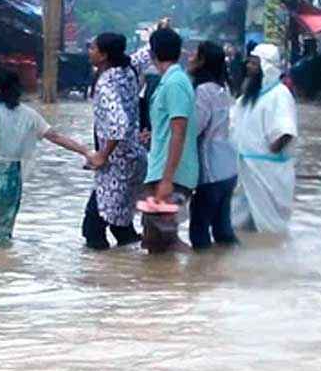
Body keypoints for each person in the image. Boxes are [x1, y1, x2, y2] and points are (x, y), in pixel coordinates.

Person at [0, 68, 93, 246]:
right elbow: (55, 137)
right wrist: (86, 152)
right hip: (12, 181)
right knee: (0, 235)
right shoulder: (28, 114)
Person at [82, 33, 146, 250]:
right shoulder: (128, 70)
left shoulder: (106, 85)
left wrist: (102, 155)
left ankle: (98, 277)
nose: (89, 51)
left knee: (93, 226)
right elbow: (143, 55)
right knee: (122, 223)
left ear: (104, 55)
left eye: (93, 48)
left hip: (116, 164)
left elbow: (118, 125)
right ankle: (130, 271)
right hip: (134, 157)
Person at [140, 27, 200, 254]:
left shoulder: (175, 83)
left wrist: (167, 180)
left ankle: (197, 276)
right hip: (162, 170)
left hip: (170, 175)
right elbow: (169, 128)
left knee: (164, 239)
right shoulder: (171, 81)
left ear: (152, 53)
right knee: (154, 240)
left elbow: (179, 130)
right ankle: (167, 286)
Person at [231, 43, 299, 235]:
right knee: (238, 223)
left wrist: (269, 152)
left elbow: (286, 130)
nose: (249, 67)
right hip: (245, 169)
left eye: (254, 64)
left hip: (267, 171)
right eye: (249, 63)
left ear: (266, 67)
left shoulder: (279, 95)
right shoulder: (250, 95)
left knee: (270, 227)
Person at [189, 41, 239, 250]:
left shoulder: (203, 91)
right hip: (228, 167)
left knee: (199, 232)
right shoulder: (223, 88)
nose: (190, 57)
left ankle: (202, 277)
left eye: (195, 55)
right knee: (222, 230)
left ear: (203, 61)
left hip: (210, 169)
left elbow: (195, 128)